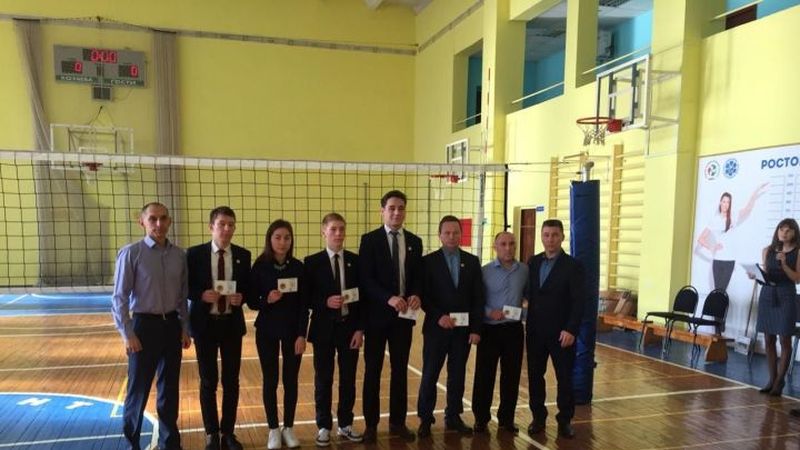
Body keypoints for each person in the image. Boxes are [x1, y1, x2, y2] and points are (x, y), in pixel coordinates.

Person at [111, 202, 191, 450]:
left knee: (169, 390)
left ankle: (170, 443)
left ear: (169, 221)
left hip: (172, 327)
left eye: (163, 218)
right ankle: (132, 443)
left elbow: (183, 296)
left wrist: (184, 328)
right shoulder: (131, 253)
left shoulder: (179, 255)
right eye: (153, 219)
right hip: (143, 327)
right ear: (142, 222)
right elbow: (119, 298)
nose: (159, 223)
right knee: (138, 390)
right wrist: (127, 334)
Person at [359, 190, 423, 443]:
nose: (397, 213)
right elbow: (366, 279)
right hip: (376, 317)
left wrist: (416, 294)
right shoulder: (369, 240)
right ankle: (371, 425)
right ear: (382, 211)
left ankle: (398, 422)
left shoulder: (415, 241)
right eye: (392, 208)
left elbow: (417, 277)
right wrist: (388, 298)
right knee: (372, 371)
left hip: (403, 318)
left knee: (400, 372)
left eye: (401, 208)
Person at [186, 206, 251, 450]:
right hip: (205, 326)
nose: (226, 229)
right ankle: (211, 433)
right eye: (221, 224)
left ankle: (228, 433)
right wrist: (201, 294)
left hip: (231, 326)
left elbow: (247, 288)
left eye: (230, 225)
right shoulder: (194, 254)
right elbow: (185, 286)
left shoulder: (243, 255)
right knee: (208, 381)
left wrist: (241, 297)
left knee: (231, 382)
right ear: (211, 227)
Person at [417, 215, 484, 438]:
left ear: (461, 234)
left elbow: (477, 298)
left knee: (457, 375)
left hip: (462, 331)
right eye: (447, 232)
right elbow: (424, 295)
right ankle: (425, 418)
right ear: (440, 235)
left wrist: (476, 329)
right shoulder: (428, 262)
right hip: (436, 329)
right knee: (430, 374)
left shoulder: (472, 262)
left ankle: (453, 416)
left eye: (456, 232)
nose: (452, 236)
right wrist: (438, 316)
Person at [304, 213, 364, 446]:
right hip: (323, 330)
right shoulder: (312, 262)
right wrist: (325, 302)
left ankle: (345, 424)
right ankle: (323, 426)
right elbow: (306, 298)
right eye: (333, 229)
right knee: (323, 379)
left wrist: (360, 329)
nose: (338, 234)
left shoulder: (355, 261)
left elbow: (363, 299)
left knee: (348, 379)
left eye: (341, 229)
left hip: (349, 329)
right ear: (324, 232)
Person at [247, 220, 308, 450]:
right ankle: (273, 428)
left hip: (293, 332)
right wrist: (267, 299)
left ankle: (288, 427)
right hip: (267, 330)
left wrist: (302, 334)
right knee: (270, 380)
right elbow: (251, 301)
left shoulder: (298, 267)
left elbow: (304, 306)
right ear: (270, 239)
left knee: (291, 380)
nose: (282, 242)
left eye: (287, 238)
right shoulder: (260, 266)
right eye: (278, 237)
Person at [525, 219, 585, 439]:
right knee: (535, 377)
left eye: (555, 235)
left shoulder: (573, 266)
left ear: (562, 237)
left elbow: (579, 302)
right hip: (535, 332)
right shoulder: (533, 262)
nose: (550, 239)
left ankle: (565, 420)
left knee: (564, 378)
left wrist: (571, 329)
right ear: (541, 237)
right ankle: (538, 418)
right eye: (546, 235)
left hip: (562, 334)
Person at [471, 231, 528, 434]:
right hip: (489, 330)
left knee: (511, 376)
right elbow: (476, 300)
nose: (508, 248)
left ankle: (506, 419)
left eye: (512, 243)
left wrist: (524, 312)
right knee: (484, 376)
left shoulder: (525, 271)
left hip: (513, 330)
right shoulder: (484, 271)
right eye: (503, 244)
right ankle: (481, 419)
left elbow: (529, 298)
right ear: (495, 247)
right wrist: (489, 312)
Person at [750, 218, 799, 397]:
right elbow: (767, 275)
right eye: (781, 229)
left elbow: (797, 279)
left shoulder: (798, 252)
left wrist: (784, 264)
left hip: (786, 295)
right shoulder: (768, 250)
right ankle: (771, 380)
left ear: (795, 233)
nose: (783, 233)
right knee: (768, 339)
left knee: (784, 339)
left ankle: (780, 381)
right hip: (768, 294)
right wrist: (756, 275)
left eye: (788, 230)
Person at [696, 184, 767, 291]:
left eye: (728, 202)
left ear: (730, 204)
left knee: (722, 290)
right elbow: (701, 238)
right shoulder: (714, 220)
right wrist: (712, 247)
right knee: (717, 290)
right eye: (724, 201)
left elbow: (748, 208)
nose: (725, 204)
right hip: (717, 260)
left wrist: (756, 192)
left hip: (729, 260)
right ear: (720, 202)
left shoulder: (734, 216)